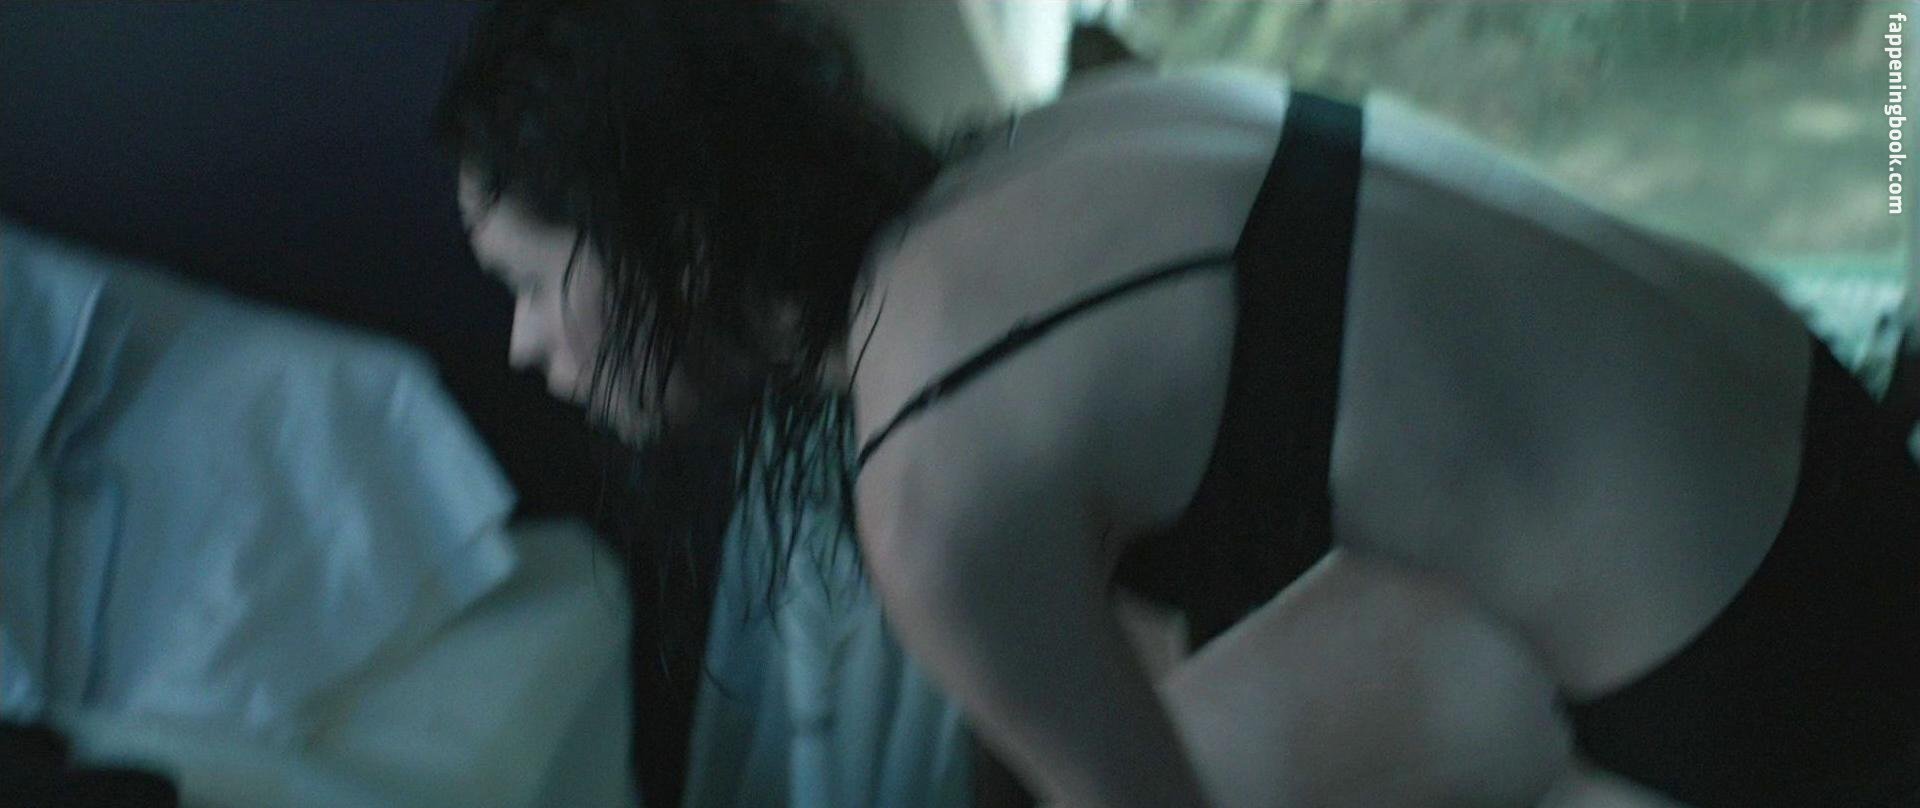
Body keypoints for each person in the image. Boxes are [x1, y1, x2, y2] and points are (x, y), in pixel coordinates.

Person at [435, 2, 1920, 806]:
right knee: (1211, 730)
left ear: (678, 246)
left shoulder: (932, 477)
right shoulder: (1067, 131)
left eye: (529, 282)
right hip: (1822, 431)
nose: (520, 343)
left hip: (1763, 651)